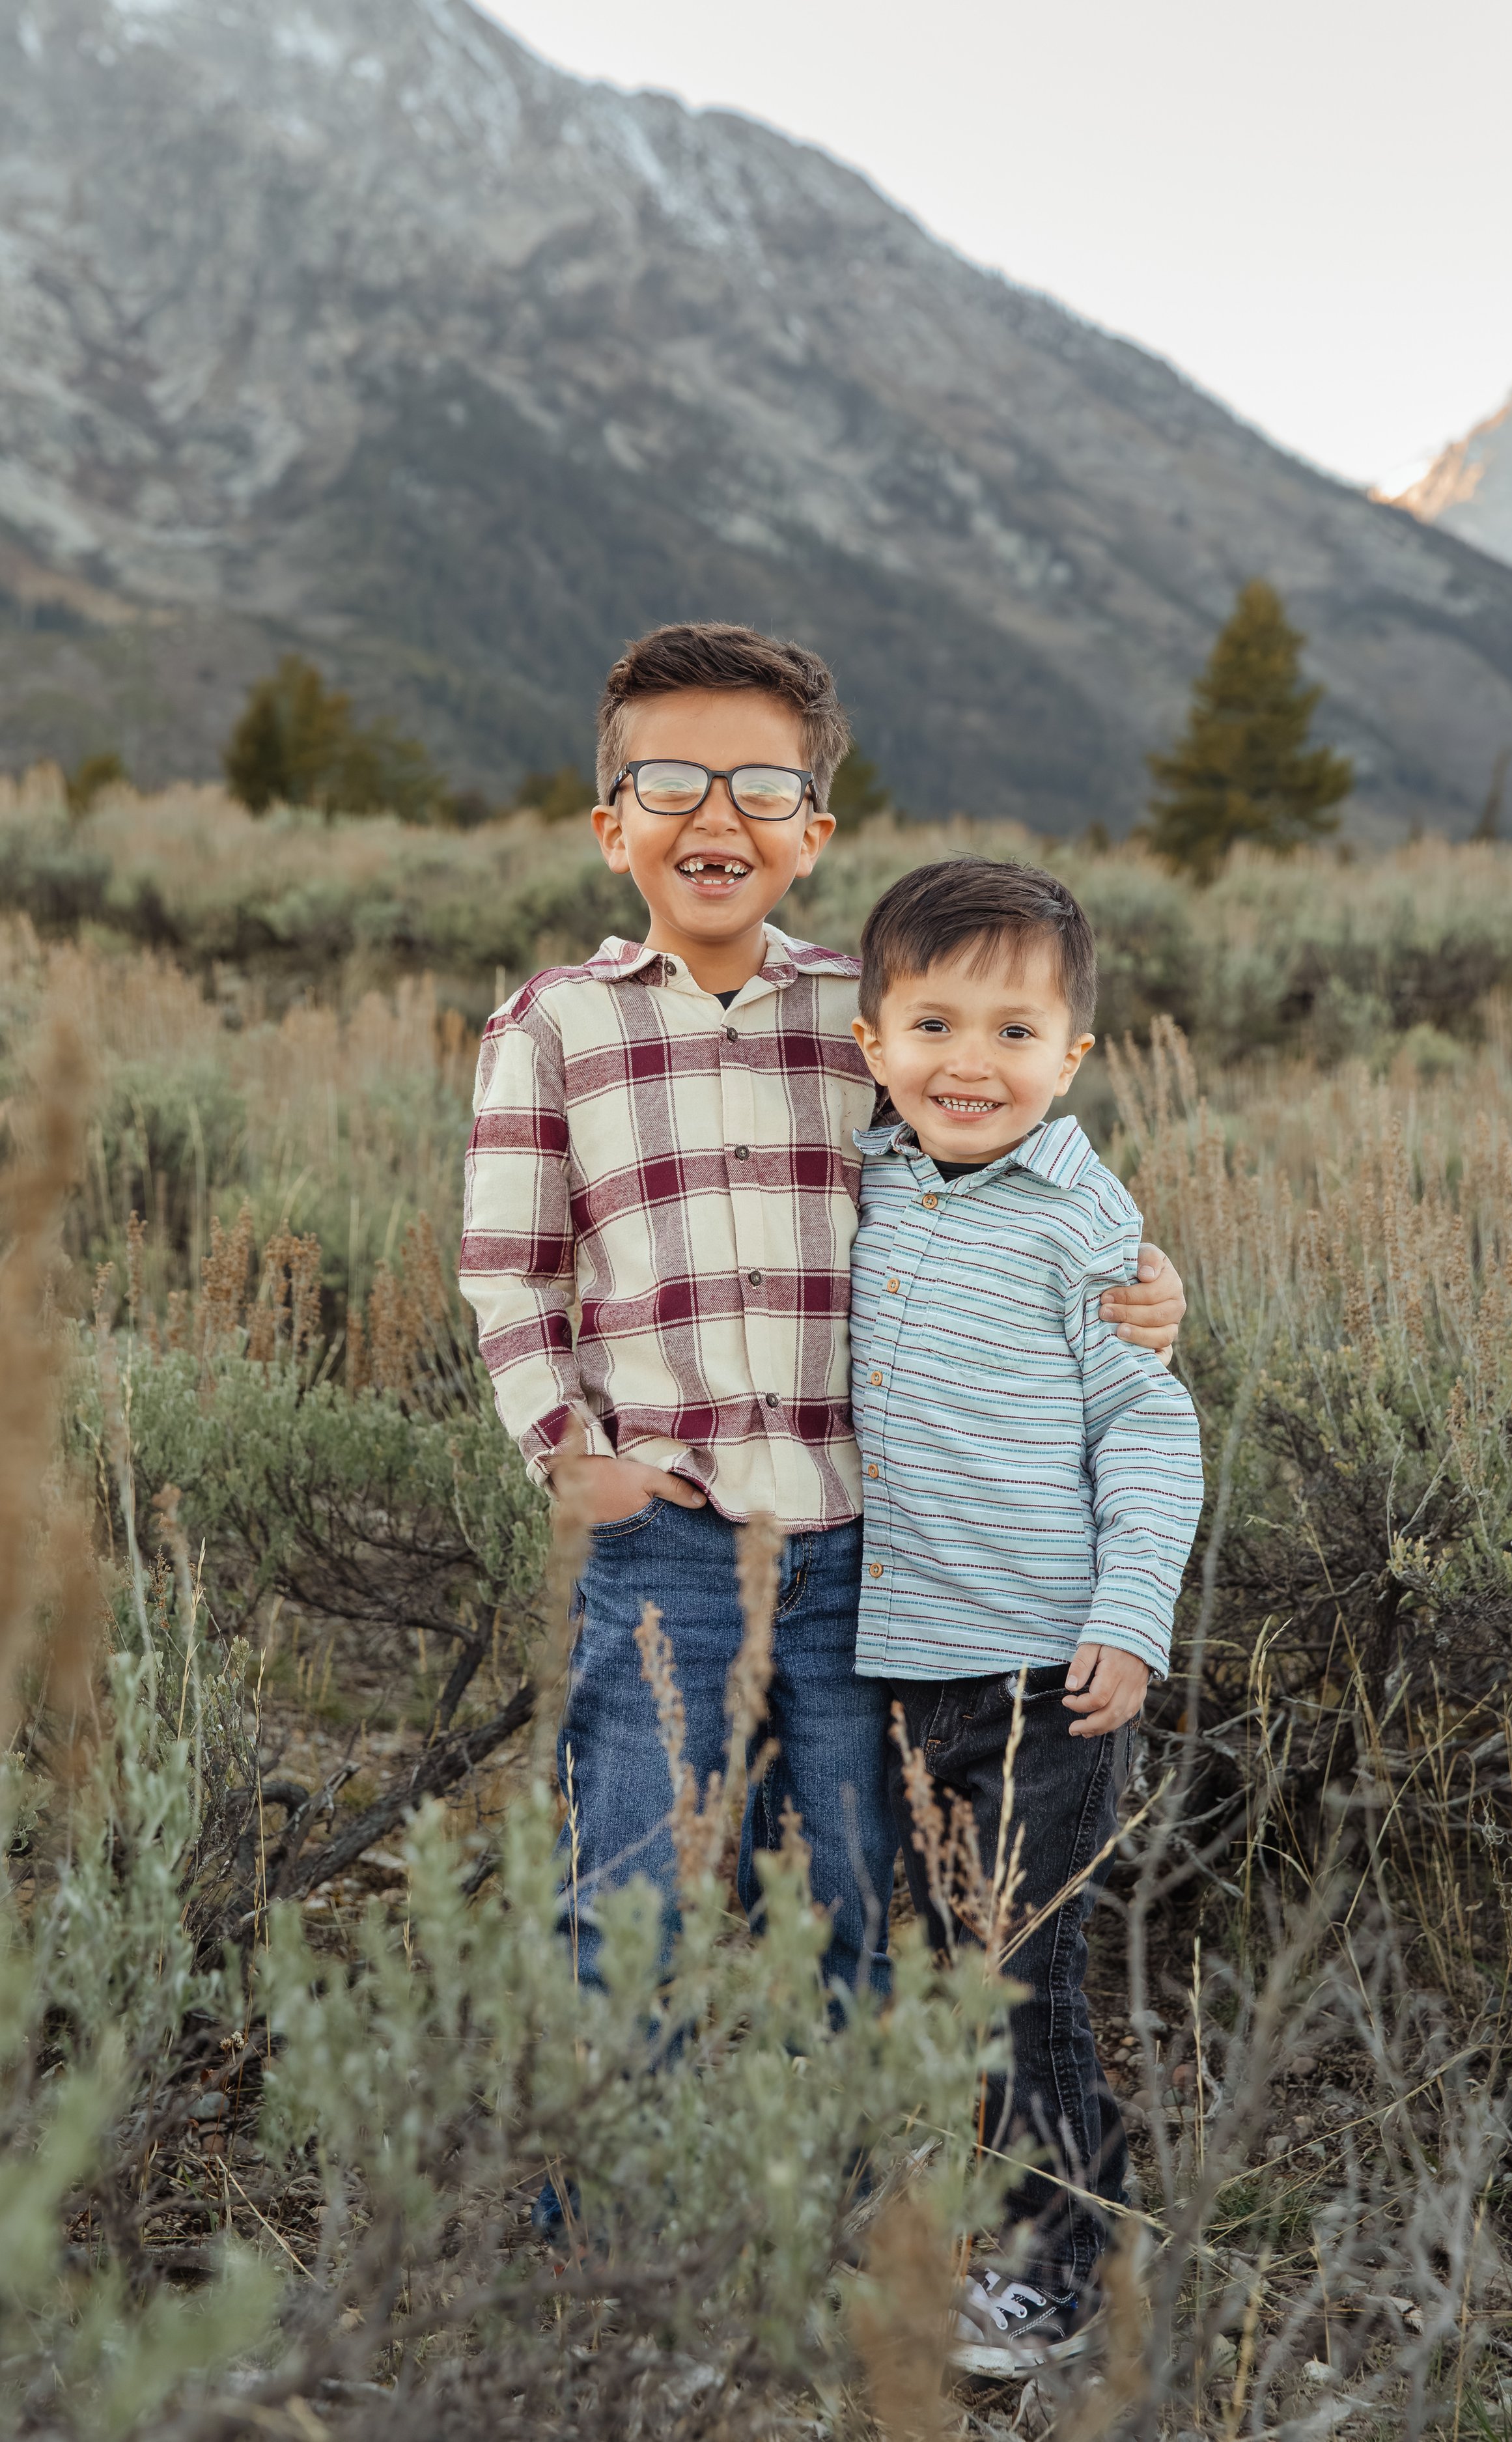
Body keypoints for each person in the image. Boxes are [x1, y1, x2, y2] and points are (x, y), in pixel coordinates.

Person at [458, 621, 1187, 1999]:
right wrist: (566, 1454)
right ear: (614, 828)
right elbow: (509, 1269)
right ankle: (603, 2211)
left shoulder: (873, 1012)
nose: (716, 817)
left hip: (863, 1547)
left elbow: (1007, 1160)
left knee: (853, 1894)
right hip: (665, 1534)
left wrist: (1137, 1281)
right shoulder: (554, 1025)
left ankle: (834, 2197)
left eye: (762, 789)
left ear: (813, 832)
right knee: (628, 1891)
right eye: (671, 784)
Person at [848, 856, 1204, 2367]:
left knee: (1020, 1975)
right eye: (930, 1026)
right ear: (869, 1045)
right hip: (884, 1663)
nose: (967, 1065)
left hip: (1041, 1675)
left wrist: (1126, 1617)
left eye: (1011, 1034)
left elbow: (1147, 1425)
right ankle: (926, 2213)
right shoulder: (859, 1179)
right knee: (922, 1958)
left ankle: (1064, 2272)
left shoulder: (1086, 1227)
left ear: (1070, 1058)